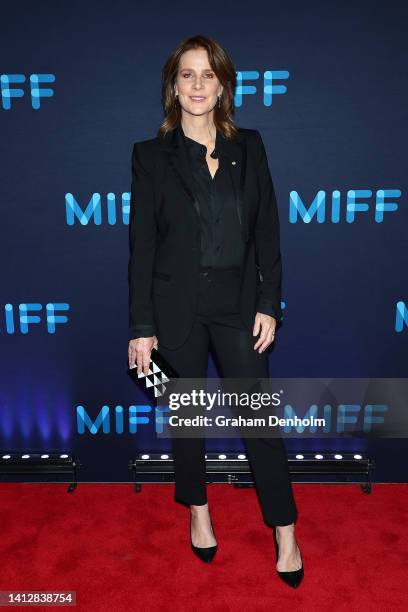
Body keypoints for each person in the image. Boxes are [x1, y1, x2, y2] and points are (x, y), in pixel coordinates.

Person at [127, 34, 303, 588]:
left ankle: (285, 530)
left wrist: (269, 302)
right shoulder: (150, 156)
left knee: (261, 424)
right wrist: (141, 328)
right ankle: (198, 511)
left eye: (208, 75)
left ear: (224, 85)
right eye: (187, 75)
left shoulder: (249, 146)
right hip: (175, 308)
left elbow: (268, 231)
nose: (198, 85)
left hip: (237, 307)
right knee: (188, 423)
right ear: (172, 86)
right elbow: (143, 247)